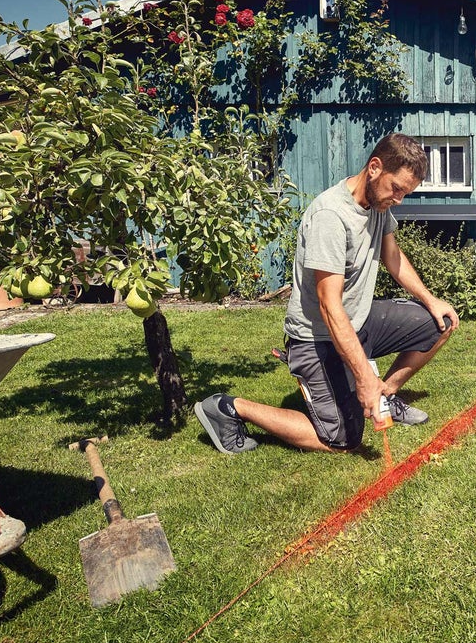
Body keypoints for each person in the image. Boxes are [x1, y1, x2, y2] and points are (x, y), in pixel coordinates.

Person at [194, 133, 460, 454]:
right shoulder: (330, 216)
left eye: (406, 192)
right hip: (316, 338)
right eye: (397, 188)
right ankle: (228, 407)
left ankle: (385, 395)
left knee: (439, 323)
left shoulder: (378, 202)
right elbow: (329, 305)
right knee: (342, 439)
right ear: (375, 168)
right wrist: (364, 378)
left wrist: (431, 300)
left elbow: (391, 255)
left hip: (359, 320)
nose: (399, 199)